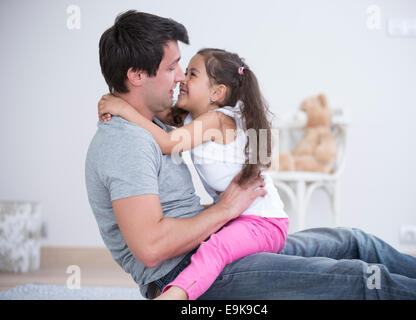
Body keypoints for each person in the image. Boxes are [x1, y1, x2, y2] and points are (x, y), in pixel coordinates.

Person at [85, 10, 416, 300]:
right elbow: (151, 249)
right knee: (362, 280)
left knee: (356, 243)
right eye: (172, 67)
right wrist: (226, 209)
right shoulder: (125, 143)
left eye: (185, 67)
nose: (181, 76)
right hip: (189, 271)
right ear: (136, 75)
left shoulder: (163, 123)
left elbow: (243, 143)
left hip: (228, 234)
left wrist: (119, 103)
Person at [97, 47, 290, 300]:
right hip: (243, 219)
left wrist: (123, 110)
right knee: (214, 246)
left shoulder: (218, 120)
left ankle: (175, 296)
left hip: (263, 222)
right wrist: (122, 102)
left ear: (216, 93)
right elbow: (153, 110)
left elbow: (167, 143)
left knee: (215, 249)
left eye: (192, 74)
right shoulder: (193, 118)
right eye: (184, 71)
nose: (182, 79)